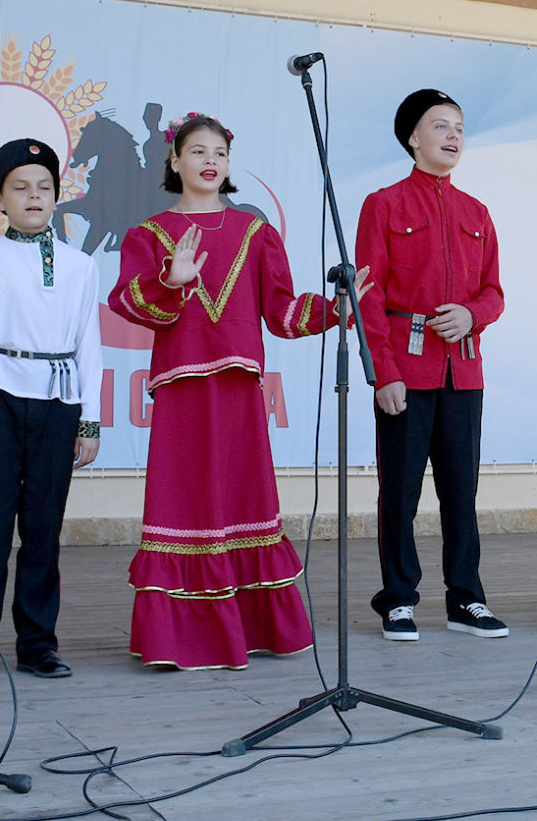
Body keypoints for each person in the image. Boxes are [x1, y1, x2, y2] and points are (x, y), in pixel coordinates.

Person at [110, 112, 362, 669]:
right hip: (181, 389)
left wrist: (334, 309)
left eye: (219, 154)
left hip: (240, 390)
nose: (209, 162)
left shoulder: (255, 232)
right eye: (197, 152)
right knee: (184, 498)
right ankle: (179, 637)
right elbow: (127, 303)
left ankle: (254, 626)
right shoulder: (148, 234)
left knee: (243, 496)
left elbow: (282, 310)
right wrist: (170, 281)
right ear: (174, 160)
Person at [0, 139, 103, 685]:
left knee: (43, 529)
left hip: (58, 403)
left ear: (58, 196)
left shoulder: (82, 267)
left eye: (44, 187)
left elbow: (90, 344)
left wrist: (89, 419)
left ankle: (38, 643)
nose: (34, 196)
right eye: (20, 187)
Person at [357, 89, 508, 641]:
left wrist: (472, 315)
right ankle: (397, 598)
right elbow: (368, 298)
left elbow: (494, 292)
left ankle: (465, 598)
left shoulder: (477, 212)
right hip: (407, 367)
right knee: (399, 491)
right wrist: (384, 372)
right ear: (413, 138)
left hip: (463, 370)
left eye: (460, 128)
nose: (452, 137)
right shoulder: (384, 203)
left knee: (460, 490)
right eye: (440, 126)